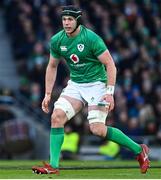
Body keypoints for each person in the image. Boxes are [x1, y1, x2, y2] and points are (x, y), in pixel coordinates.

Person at [32, 5, 150, 175]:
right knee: (56, 117)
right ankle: (53, 166)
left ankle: (139, 150)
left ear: (78, 20)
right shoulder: (57, 40)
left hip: (97, 84)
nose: (66, 23)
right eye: (64, 19)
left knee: (97, 129)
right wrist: (48, 93)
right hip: (76, 84)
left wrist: (109, 93)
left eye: (70, 19)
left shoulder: (92, 39)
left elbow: (110, 64)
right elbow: (52, 66)